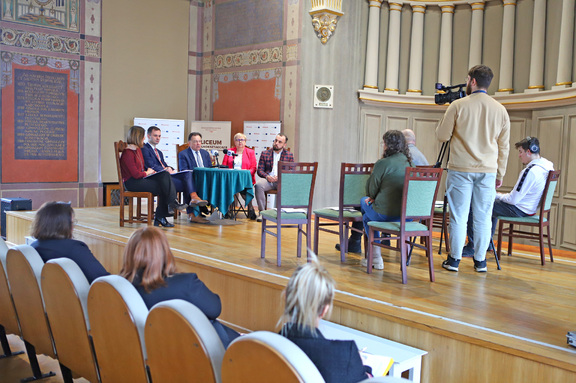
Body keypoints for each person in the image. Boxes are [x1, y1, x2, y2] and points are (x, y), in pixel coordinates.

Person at [436, 65, 510, 273]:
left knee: (459, 215)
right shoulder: (500, 110)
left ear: (472, 81)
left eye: (468, 80)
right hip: (488, 171)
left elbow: (442, 136)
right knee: (484, 216)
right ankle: (480, 262)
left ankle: (454, 260)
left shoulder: (458, 105)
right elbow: (504, 147)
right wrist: (500, 173)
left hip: (461, 169)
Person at [119, 226, 240, 348]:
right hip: (204, 355)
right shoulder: (186, 284)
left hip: (154, 352)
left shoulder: (122, 289)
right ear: (164, 252)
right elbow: (215, 308)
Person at [279, 254, 372, 383]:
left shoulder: (262, 345)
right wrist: (364, 368)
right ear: (324, 310)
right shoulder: (344, 356)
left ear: (285, 298)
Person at [462, 137, 554, 256]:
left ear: (529, 151)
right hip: (530, 208)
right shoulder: (548, 166)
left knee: (475, 204)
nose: (519, 155)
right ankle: (487, 243)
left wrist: (497, 195)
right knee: (492, 204)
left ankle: (473, 246)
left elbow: (513, 200)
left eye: (521, 152)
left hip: (519, 209)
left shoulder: (531, 171)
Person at [360, 130, 412, 270]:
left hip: (384, 214)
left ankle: (376, 257)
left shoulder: (382, 163)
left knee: (364, 207)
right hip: (407, 216)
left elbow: (371, 191)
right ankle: (405, 257)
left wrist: (371, 196)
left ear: (387, 145)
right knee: (367, 211)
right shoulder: (409, 163)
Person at [120, 125, 187, 228]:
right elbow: (136, 174)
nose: (144, 139)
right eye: (142, 137)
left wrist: (148, 173)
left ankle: (170, 205)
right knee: (164, 186)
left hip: (140, 179)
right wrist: (147, 173)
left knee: (164, 175)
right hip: (132, 183)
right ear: (138, 137)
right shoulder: (128, 153)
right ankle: (163, 213)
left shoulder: (137, 150)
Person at [141, 126, 208, 224]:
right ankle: (190, 206)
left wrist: (170, 168)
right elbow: (151, 165)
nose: (158, 138)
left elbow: (163, 163)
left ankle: (192, 205)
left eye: (159, 136)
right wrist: (165, 170)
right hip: (157, 178)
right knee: (187, 182)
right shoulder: (144, 149)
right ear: (148, 136)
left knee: (187, 175)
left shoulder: (158, 151)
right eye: (155, 135)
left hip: (165, 176)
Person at [30, 201, 109, 284]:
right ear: (62, 226)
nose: (73, 227)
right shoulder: (74, 249)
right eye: (71, 223)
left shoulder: (34, 247)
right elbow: (102, 280)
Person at [254, 133, 294, 221]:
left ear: (284, 145)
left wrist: (279, 177)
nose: (276, 143)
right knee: (258, 185)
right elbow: (260, 170)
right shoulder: (265, 153)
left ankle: (283, 213)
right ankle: (262, 213)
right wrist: (267, 176)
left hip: (281, 181)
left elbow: (291, 171)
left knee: (289, 186)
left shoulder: (289, 155)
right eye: (276, 140)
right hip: (268, 180)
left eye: (280, 142)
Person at [221, 132, 257, 219]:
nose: (240, 142)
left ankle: (250, 209)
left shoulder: (250, 152)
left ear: (245, 142)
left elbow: (253, 167)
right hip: (230, 179)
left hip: (245, 178)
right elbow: (224, 165)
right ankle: (227, 211)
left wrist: (246, 175)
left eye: (242, 140)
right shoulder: (229, 152)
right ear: (234, 142)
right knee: (229, 189)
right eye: (238, 140)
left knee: (245, 189)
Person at [178, 132, 213, 221]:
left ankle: (212, 207)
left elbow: (210, 168)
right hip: (191, 179)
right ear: (189, 143)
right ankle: (192, 214)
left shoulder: (205, 153)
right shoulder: (183, 154)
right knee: (188, 181)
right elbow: (184, 170)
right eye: (195, 141)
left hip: (205, 180)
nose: (198, 144)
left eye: (199, 141)